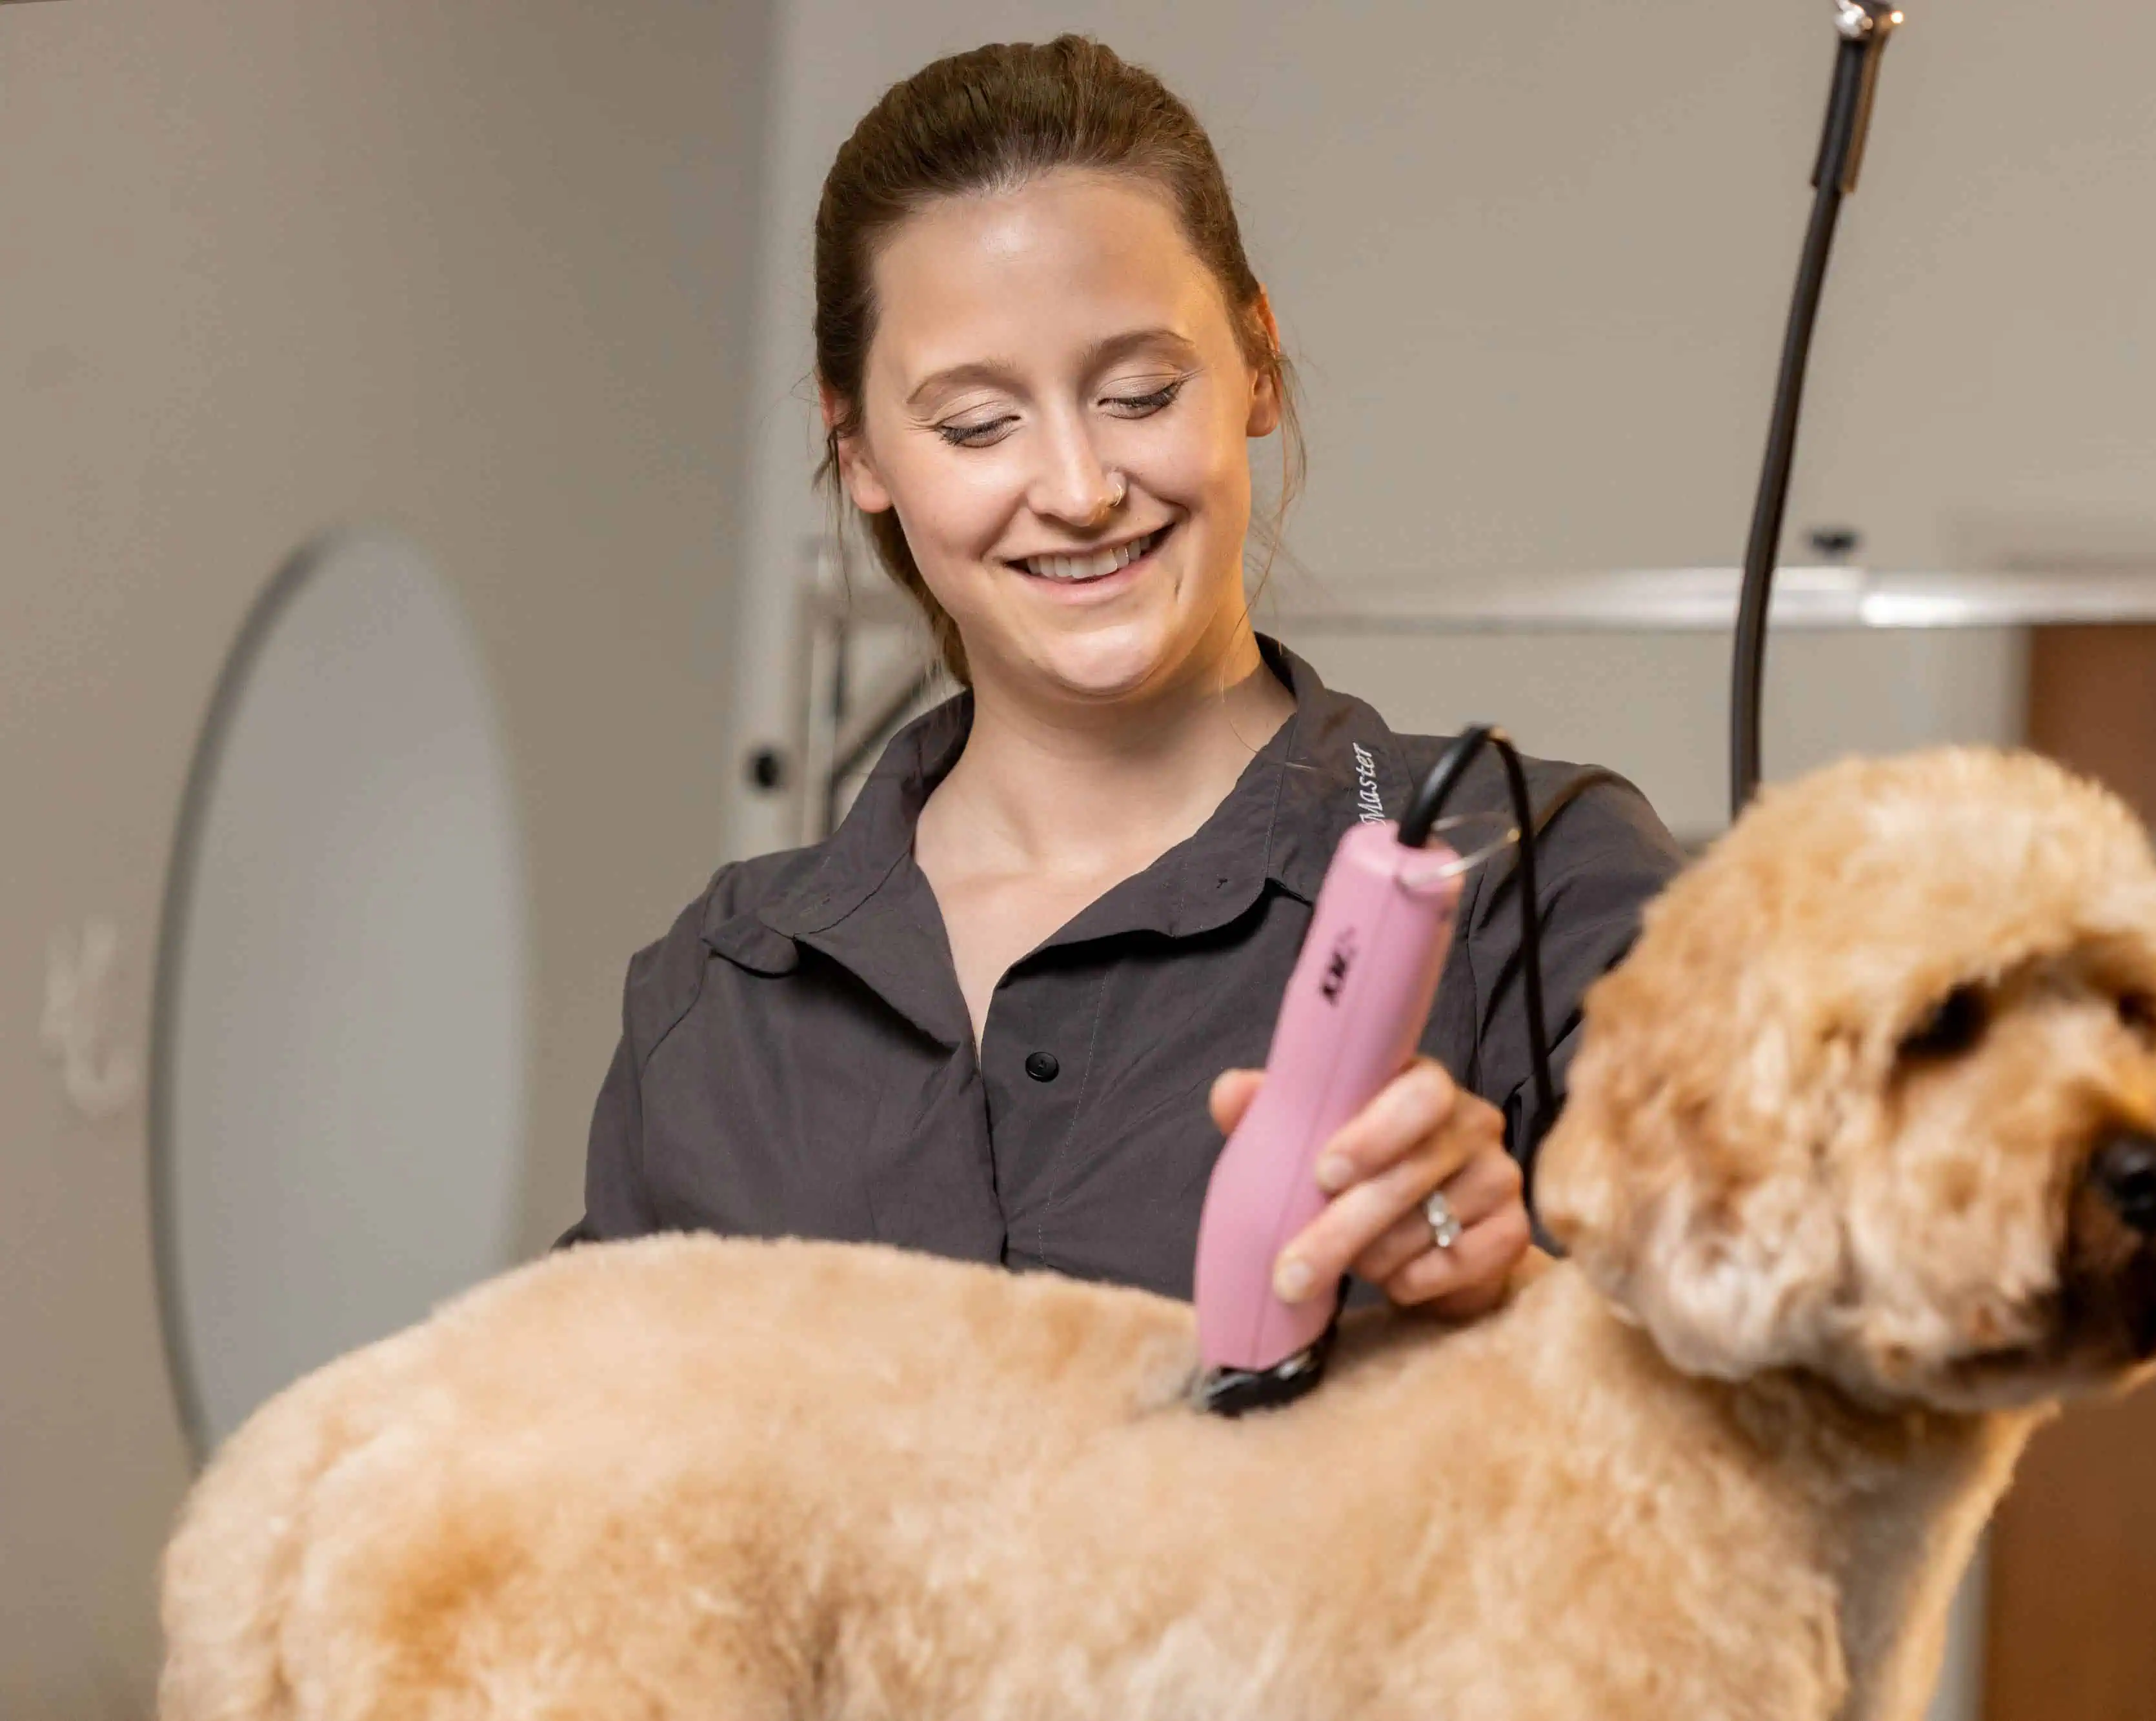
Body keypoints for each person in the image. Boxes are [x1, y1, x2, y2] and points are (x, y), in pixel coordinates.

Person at [564, 35, 1683, 1324]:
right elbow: (583, 1484)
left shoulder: (1531, 889)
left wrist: (1518, 1297)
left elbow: (1779, 1454)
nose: (1081, 489)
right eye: (976, 424)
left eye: (1138, 391)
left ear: (1256, 363)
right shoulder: (723, 999)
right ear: (859, 446)